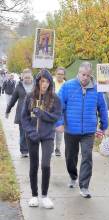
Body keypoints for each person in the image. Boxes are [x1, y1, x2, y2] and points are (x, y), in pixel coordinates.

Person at [56, 62, 108, 198]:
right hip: (71, 129)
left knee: (87, 157)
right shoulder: (67, 87)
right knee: (70, 157)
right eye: (82, 74)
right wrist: (60, 123)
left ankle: (84, 186)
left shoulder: (97, 89)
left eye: (87, 75)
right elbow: (58, 106)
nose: (85, 77)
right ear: (78, 74)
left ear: (91, 75)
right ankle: (73, 176)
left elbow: (102, 107)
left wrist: (104, 126)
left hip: (89, 130)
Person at [21, 69, 62, 209]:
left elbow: (56, 117)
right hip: (32, 135)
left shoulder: (55, 98)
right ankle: (34, 195)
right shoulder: (30, 97)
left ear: (50, 82)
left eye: (46, 81)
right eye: (41, 81)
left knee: (45, 164)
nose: (43, 84)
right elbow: (24, 118)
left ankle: (44, 195)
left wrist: (42, 114)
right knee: (34, 164)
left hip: (48, 135)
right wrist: (31, 131)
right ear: (37, 82)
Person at [5, 69, 34, 157]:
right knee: (23, 133)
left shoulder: (35, 86)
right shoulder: (19, 87)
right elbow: (13, 99)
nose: (27, 79)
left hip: (33, 114)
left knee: (32, 132)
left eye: (28, 77)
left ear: (31, 77)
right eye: (25, 77)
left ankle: (31, 149)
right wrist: (8, 110)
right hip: (22, 113)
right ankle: (24, 151)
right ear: (22, 77)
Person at [53, 67, 66, 156]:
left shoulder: (66, 84)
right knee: (50, 130)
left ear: (64, 75)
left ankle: (57, 148)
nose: (60, 76)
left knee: (59, 131)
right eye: (58, 74)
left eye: (62, 74)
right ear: (55, 74)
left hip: (61, 111)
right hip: (51, 110)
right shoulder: (52, 83)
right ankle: (49, 148)